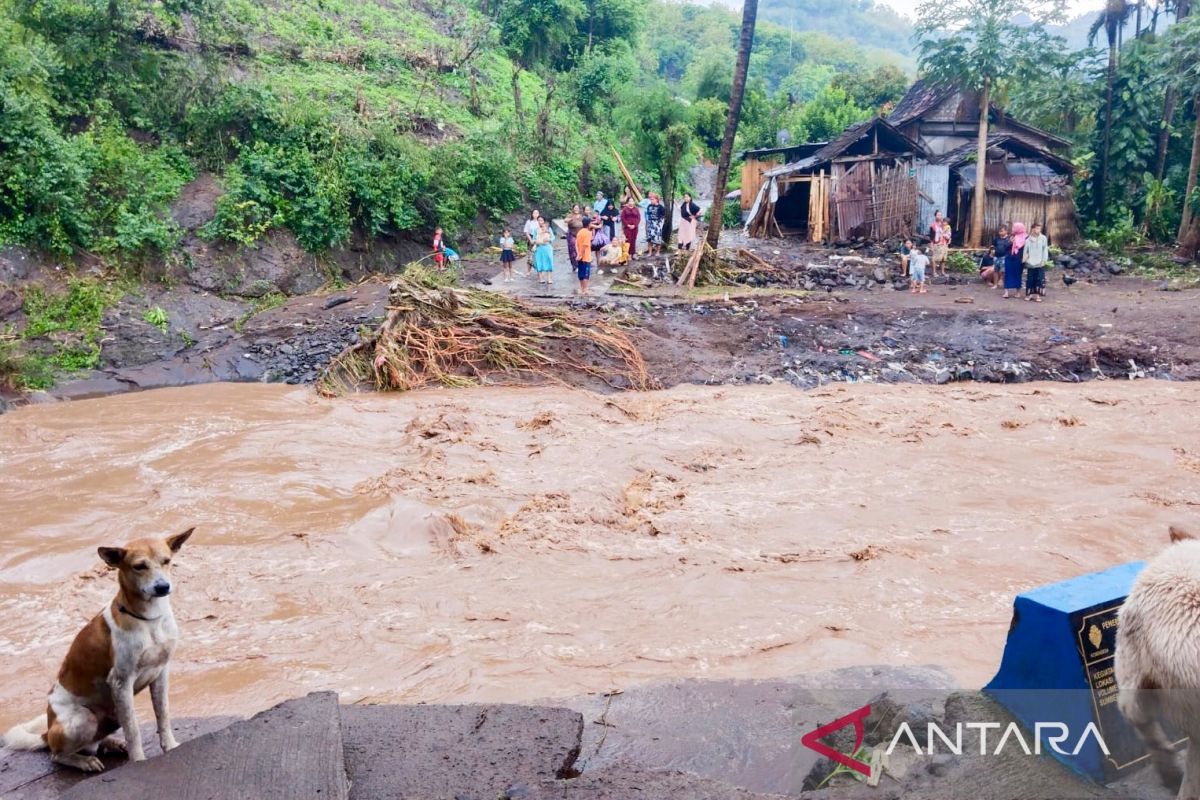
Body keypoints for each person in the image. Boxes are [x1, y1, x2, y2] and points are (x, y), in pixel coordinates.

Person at [1024, 222, 1050, 302]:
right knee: (1030, 279)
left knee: (1039, 279)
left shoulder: (1043, 238)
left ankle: (1038, 296)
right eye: (1037, 228)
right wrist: (1026, 260)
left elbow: (1045, 249)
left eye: (1039, 228)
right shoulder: (1028, 239)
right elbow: (1026, 251)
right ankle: (1029, 295)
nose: (1038, 230)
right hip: (1031, 262)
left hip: (1039, 262)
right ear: (1033, 229)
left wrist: (1044, 260)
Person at [1003, 222, 1027, 299]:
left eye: (1014, 228)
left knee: (1018, 275)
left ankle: (1018, 292)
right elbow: (1005, 248)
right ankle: (1006, 292)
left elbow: (1027, 250)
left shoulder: (1026, 238)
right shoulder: (1011, 236)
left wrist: (1025, 259)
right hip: (1009, 258)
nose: (1012, 229)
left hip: (1019, 259)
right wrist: (1010, 242)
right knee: (1008, 274)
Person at [575, 216, 598, 296]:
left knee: (581, 273)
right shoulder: (588, 233)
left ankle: (582, 288)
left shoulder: (580, 232)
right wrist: (581, 255)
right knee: (586, 274)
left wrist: (578, 254)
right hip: (585, 256)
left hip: (580, 255)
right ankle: (585, 289)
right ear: (589, 224)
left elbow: (576, 244)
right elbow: (585, 245)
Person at [533, 217, 555, 287]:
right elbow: (533, 239)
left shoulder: (548, 228)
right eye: (539, 220)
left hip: (547, 247)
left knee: (549, 261)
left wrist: (548, 239)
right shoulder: (536, 230)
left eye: (541, 220)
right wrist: (536, 241)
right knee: (539, 262)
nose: (540, 222)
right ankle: (541, 278)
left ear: (544, 221)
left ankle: (549, 278)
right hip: (539, 247)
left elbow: (553, 237)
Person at [993, 225, 1012, 292]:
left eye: (1002, 231)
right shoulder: (996, 239)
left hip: (1005, 256)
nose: (1000, 232)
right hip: (996, 256)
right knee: (995, 271)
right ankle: (995, 284)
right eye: (999, 231)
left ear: (1006, 231)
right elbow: (993, 246)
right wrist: (993, 251)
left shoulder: (1009, 239)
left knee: (1003, 271)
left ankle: (1005, 285)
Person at [522, 210, 542, 277]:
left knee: (538, 255)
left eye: (537, 213)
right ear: (532, 214)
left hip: (539, 239)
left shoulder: (540, 221)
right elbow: (526, 232)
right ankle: (528, 271)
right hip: (531, 238)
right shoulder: (529, 222)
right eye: (534, 213)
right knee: (530, 256)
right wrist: (530, 240)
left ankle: (538, 271)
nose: (535, 214)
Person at [565, 204, 584, 271]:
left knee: (581, 250)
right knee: (573, 251)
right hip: (572, 235)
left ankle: (581, 264)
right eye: (575, 208)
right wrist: (571, 219)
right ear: (573, 209)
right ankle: (575, 266)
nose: (576, 209)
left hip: (581, 235)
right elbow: (565, 220)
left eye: (577, 208)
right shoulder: (570, 215)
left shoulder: (582, 216)